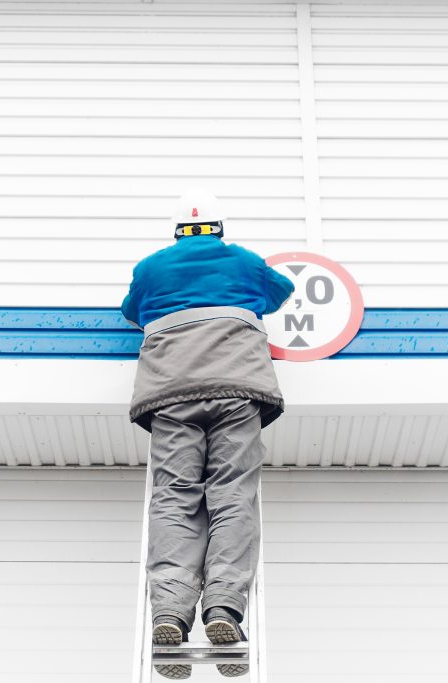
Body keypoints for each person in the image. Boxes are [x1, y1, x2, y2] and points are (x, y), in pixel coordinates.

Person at [122, 188, 294, 679]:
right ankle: (222, 607)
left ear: (177, 230)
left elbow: (132, 311)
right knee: (232, 496)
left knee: (175, 498)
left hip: (171, 392)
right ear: (218, 228)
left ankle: (170, 612)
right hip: (237, 387)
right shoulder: (242, 261)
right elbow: (280, 293)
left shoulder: (151, 267)